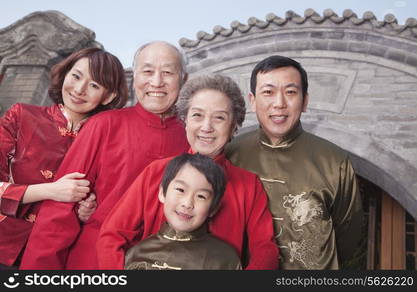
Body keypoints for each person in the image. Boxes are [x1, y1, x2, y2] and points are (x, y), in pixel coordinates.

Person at [20, 41, 190, 270]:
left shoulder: (191, 137)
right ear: (135, 77)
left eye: (168, 72)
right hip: (91, 262)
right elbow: (59, 211)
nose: (156, 82)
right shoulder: (104, 125)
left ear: (183, 79)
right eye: (147, 71)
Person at [97, 74, 278, 270]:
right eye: (197, 115)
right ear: (185, 120)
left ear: (234, 125)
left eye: (219, 117)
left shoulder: (248, 185)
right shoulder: (157, 172)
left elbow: (265, 251)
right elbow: (112, 237)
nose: (206, 127)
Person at [225, 55, 363, 269]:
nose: (279, 103)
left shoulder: (334, 161)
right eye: (268, 92)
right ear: (252, 101)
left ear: (305, 101)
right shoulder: (231, 154)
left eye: (290, 92)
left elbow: (348, 232)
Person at [0, 47, 128, 269]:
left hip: (54, 258)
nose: (79, 89)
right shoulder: (21, 116)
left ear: (109, 96)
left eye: (94, 85)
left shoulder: (106, 142)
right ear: (65, 73)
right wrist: (50, 191)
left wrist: (87, 212)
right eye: (76, 76)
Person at [125, 153, 242, 270]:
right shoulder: (137, 254)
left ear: (213, 208)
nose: (187, 204)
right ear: (162, 193)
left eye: (201, 196)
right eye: (180, 190)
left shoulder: (225, 259)